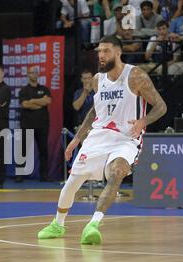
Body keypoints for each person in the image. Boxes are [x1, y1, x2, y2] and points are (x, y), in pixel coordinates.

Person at [38, 35, 167, 245]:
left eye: (105, 51)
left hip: (126, 138)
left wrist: (144, 120)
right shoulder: (98, 79)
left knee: (117, 173)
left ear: (118, 52)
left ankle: (93, 225)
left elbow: (161, 106)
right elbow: (93, 112)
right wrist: (76, 139)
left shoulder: (136, 76)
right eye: (99, 52)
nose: (101, 55)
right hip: (97, 137)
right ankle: (58, 224)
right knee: (72, 183)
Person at [16, 65, 52, 183]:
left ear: (38, 74)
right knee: (23, 151)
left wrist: (32, 101)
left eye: (35, 72)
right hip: (27, 124)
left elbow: (47, 101)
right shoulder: (23, 90)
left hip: (42, 124)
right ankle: (20, 175)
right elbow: (24, 105)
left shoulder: (45, 89)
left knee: (43, 150)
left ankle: (44, 176)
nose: (33, 74)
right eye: (31, 72)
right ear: (28, 74)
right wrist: (39, 102)